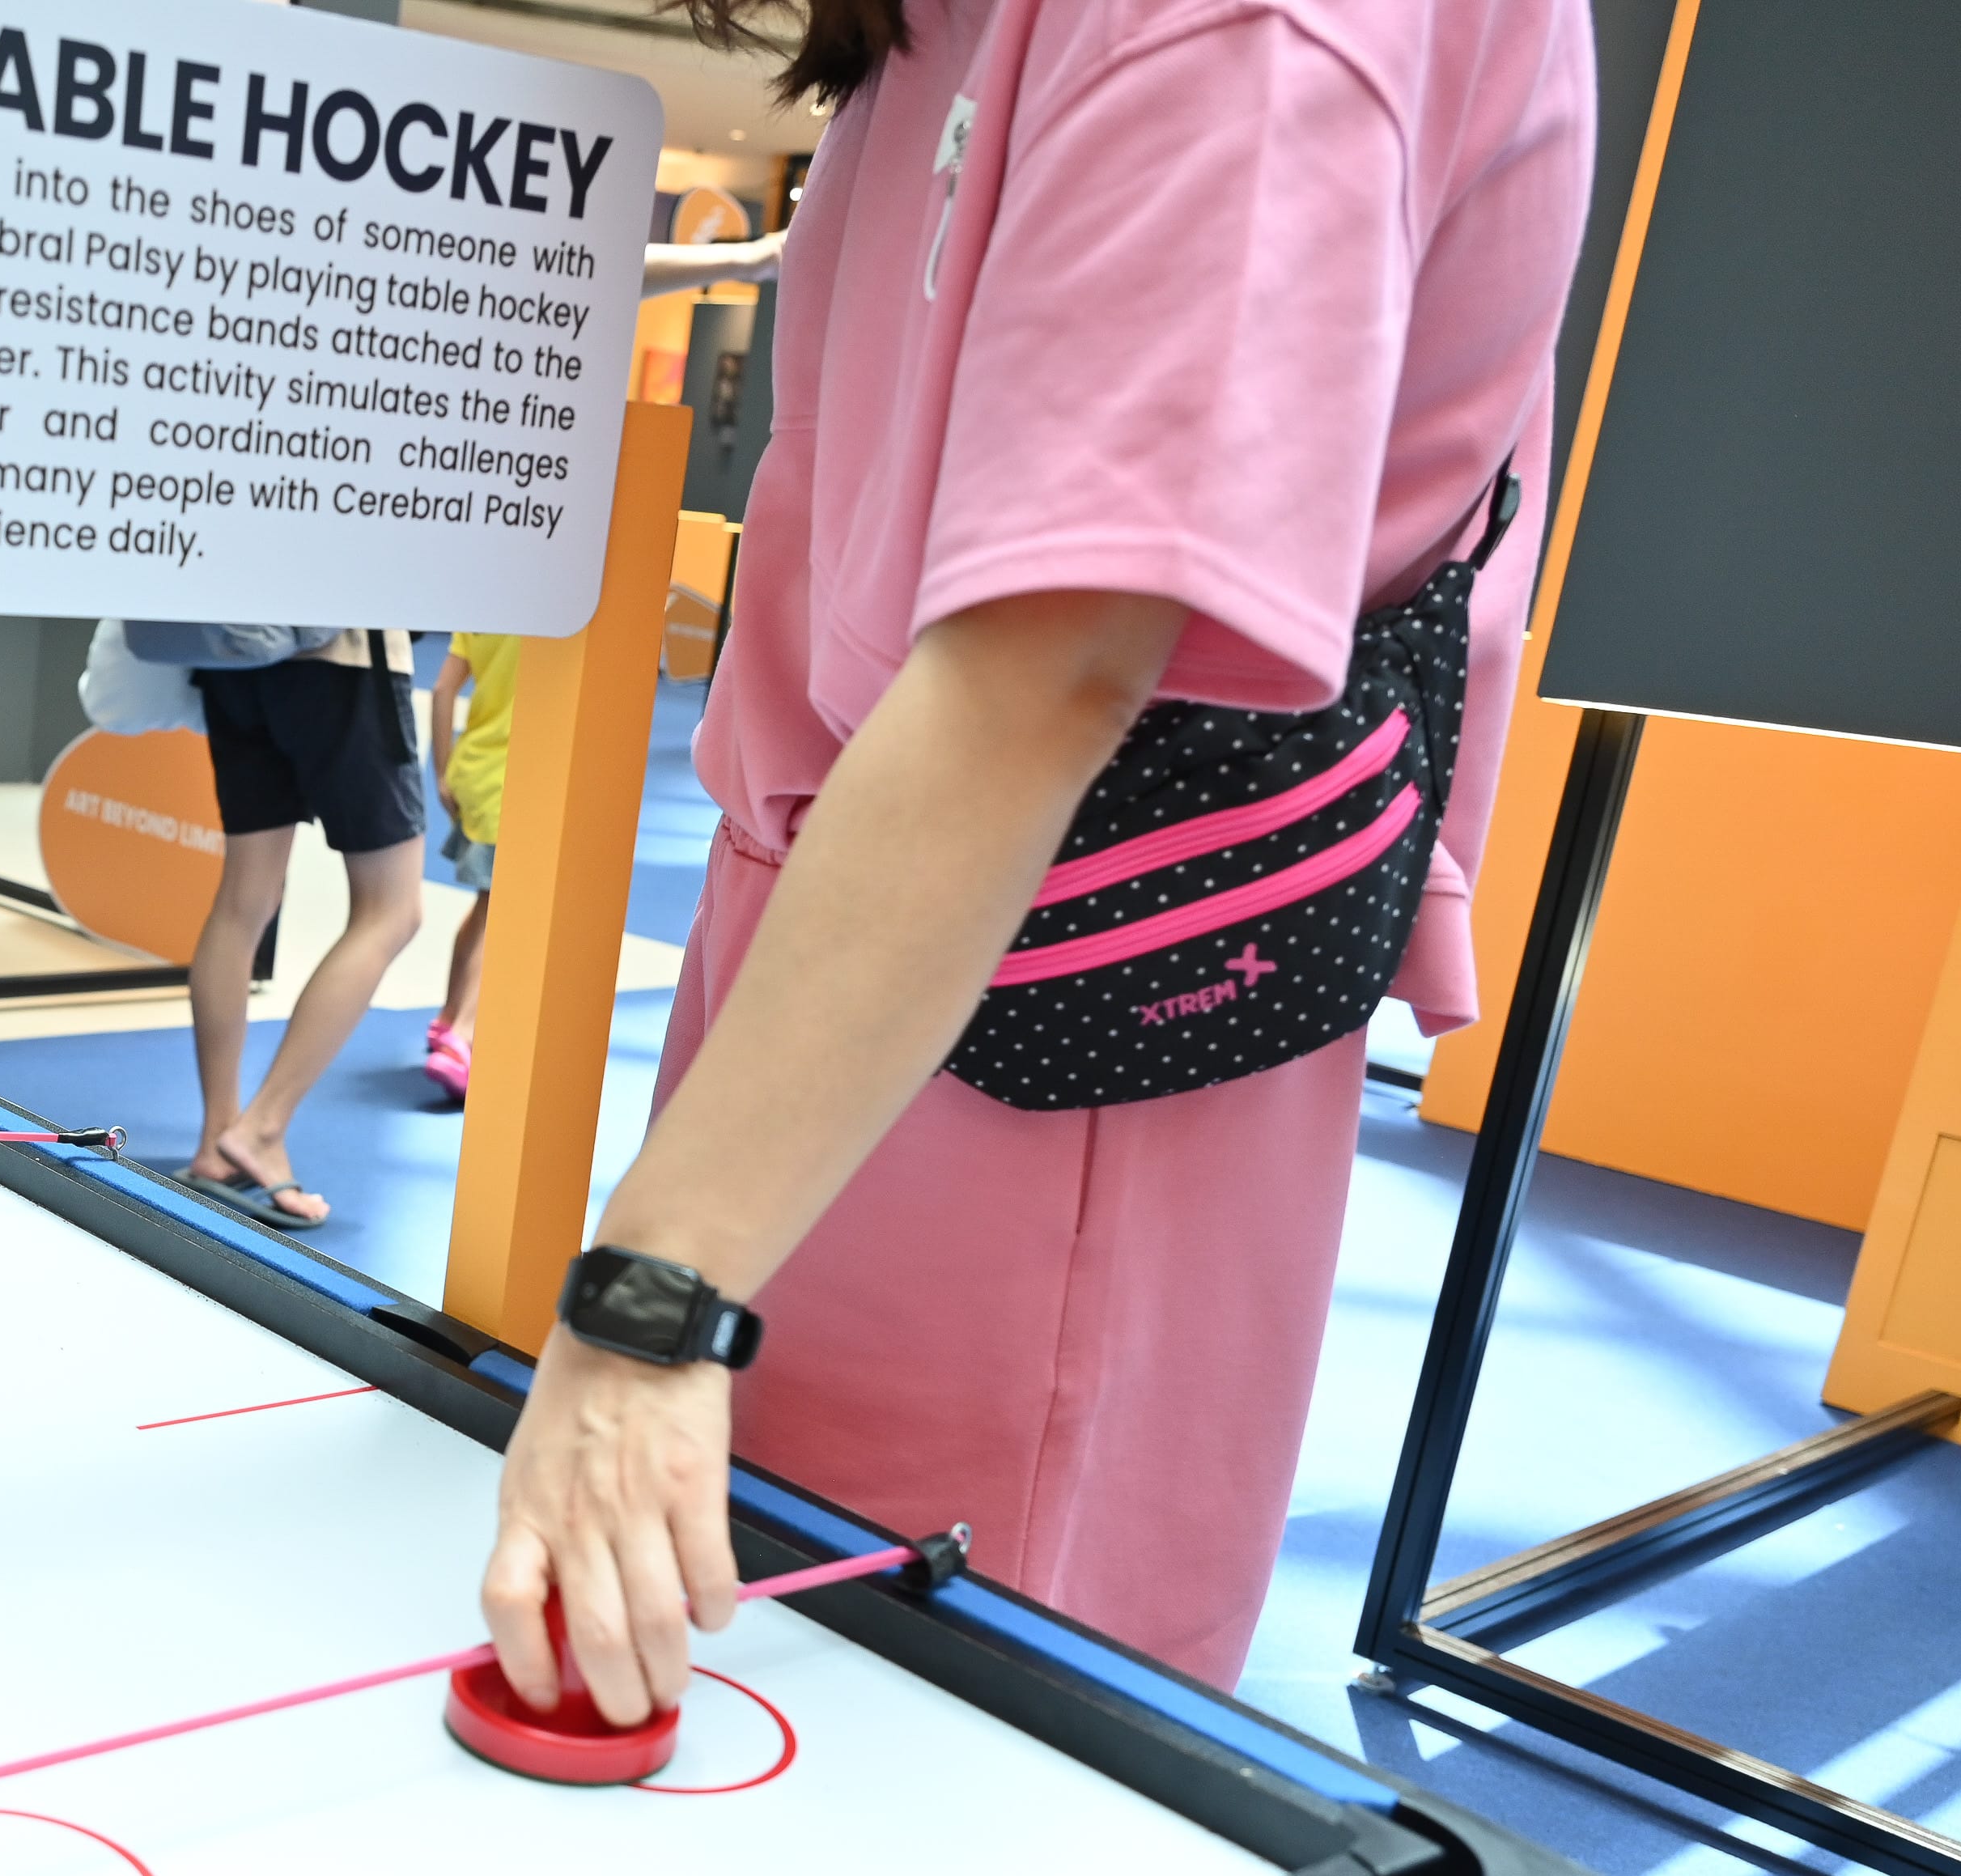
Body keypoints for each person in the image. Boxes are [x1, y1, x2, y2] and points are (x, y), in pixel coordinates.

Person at [481, 0, 1591, 1721]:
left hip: (1066, 990)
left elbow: (1053, 664)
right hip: (874, 940)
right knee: (755, 1671)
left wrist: (650, 1299)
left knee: (930, 1739)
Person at [180, 628, 424, 1230]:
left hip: (232, 653)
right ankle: (262, 1128)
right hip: (342, 656)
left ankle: (218, 1138)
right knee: (392, 909)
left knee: (244, 899)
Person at [422, 631, 520, 1101]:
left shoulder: (487, 609)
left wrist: (441, 770)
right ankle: (465, 1035)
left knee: (485, 907)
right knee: (503, 914)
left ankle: (446, 1020)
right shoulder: (558, 613)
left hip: (474, 773)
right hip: (514, 778)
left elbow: (443, 689)